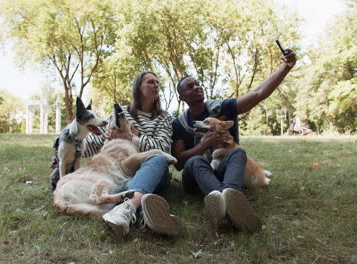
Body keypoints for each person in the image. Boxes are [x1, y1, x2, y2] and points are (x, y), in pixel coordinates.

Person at [172, 50, 297, 233]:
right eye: (190, 87)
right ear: (182, 97)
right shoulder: (179, 124)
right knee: (194, 160)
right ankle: (232, 203)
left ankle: (228, 200)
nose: (197, 87)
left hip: (222, 174)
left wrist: (286, 67)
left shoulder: (222, 108)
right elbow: (178, 163)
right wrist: (203, 145)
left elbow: (259, 93)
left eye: (198, 84)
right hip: (197, 178)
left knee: (238, 152)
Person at [83, 71, 181, 237]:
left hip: (154, 171)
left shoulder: (164, 117)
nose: (156, 85)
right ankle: (146, 218)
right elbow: (99, 141)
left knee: (157, 157)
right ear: (138, 87)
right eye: (150, 82)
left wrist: (131, 138)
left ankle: (125, 208)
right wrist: (67, 150)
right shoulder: (120, 112)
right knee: (135, 185)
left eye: (157, 82)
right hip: (122, 172)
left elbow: (163, 148)